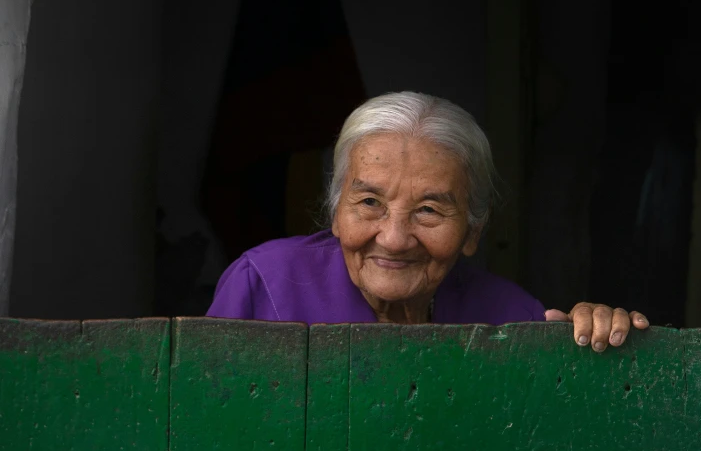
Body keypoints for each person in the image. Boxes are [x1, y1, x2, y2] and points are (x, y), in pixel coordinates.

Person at [206, 92, 649, 352]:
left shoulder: (513, 319)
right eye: (369, 202)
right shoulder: (262, 285)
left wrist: (598, 341)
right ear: (336, 212)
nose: (395, 238)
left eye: (429, 211)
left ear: (473, 230)